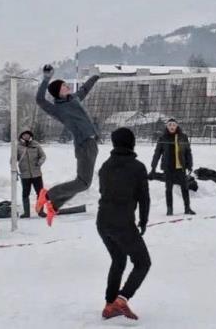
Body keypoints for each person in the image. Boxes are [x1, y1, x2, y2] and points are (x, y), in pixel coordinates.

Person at [35, 64, 100, 226]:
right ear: (58, 92)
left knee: (83, 183)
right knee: (83, 183)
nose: (67, 86)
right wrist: (46, 79)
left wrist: (95, 77)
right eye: (64, 86)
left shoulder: (74, 98)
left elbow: (84, 89)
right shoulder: (58, 109)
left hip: (92, 143)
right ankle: (48, 195)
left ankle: (54, 206)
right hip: (83, 144)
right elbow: (40, 100)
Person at [97, 127, 151, 320]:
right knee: (143, 262)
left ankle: (109, 304)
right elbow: (144, 198)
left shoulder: (105, 165)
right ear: (131, 143)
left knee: (118, 260)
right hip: (123, 223)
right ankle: (122, 299)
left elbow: (103, 190)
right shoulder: (137, 167)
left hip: (102, 221)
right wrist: (143, 220)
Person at [150, 118, 195, 216]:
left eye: (174, 125)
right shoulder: (163, 138)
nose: (172, 127)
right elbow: (157, 153)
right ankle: (169, 210)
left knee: (185, 187)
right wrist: (153, 167)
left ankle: (187, 208)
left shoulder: (183, 137)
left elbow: (188, 152)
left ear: (177, 126)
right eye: (170, 125)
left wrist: (190, 164)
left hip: (180, 167)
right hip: (168, 167)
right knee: (168, 189)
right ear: (167, 126)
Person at [17, 130, 47, 219]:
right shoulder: (18, 147)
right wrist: (14, 170)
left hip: (36, 174)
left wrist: (39, 162)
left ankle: (40, 211)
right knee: (25, 193)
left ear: (30, 136)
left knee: (40, 193)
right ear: (21, 136)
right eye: (24, 135)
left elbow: (43, 156)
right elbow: (13, 159)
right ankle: (26, 212)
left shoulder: (36, 145)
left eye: (28, 135)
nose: (26, 136)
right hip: (25, 175)